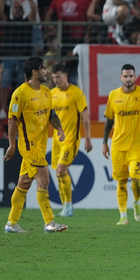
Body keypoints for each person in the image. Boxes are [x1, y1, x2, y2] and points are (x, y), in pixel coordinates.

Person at [3, 57, 68, 234]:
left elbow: (52, 114)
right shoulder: (20, 93)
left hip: (40, 144)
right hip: (28, 145)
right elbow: (12, 121)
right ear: (34, 71)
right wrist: (12, 145)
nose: (47, 71)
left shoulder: (47, 92)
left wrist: (59, 129)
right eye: (44, 68)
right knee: (44, 180)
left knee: (23, 183)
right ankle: (49, 222)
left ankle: (11, 223)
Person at [102, 64, 140, 225]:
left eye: (131, 76)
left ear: (135, 77)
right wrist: (105, 142)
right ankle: (123, 216)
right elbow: (109, 120)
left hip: (136, 146)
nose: (128, 79)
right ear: (121, 78)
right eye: (125, 76)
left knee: (135, 178)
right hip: (117, 146)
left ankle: (136, 202)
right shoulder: (113, 95)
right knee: (120, 182)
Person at [51, 64, 93, 217]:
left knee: (61, 170)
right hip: (56, 140)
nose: (56, 80)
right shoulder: (52, 94)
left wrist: (88, 138)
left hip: (71, 139)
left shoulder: (76, 93)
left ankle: (69, 206)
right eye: (54, 77)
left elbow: (85, 117)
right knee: (58, 173)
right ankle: (65, 207)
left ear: (65, 76)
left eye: (58, 77)